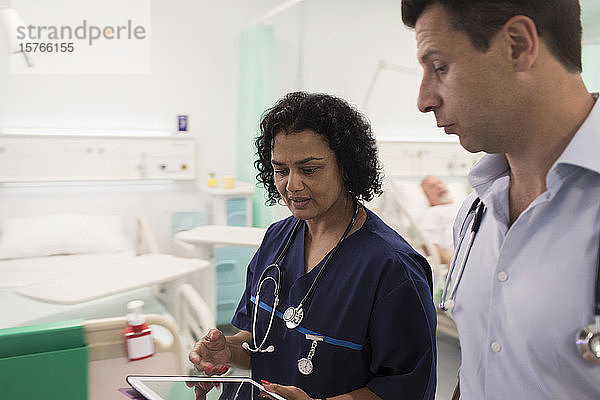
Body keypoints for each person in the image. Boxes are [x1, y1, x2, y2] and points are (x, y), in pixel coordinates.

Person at [401, 1, 600, 399]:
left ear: (517, 44)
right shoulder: (475, 215)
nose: (423, 100)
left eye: (439, 67)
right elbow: (479, 367)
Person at [189, 92, 437, 400]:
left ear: (346, 167)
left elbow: (407, 388)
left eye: (309, 169)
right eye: (281, 170)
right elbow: (255, 342)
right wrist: (227, 350)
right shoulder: (276, 241)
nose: (292, 185)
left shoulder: (393, 268)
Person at [419, 175, 459, 266]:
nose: (439, 187)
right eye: (432, 186)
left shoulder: (463, 205)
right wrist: (449, 260)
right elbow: (430, 244)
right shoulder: (432, 213)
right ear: (426, 195)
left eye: (440, 183)